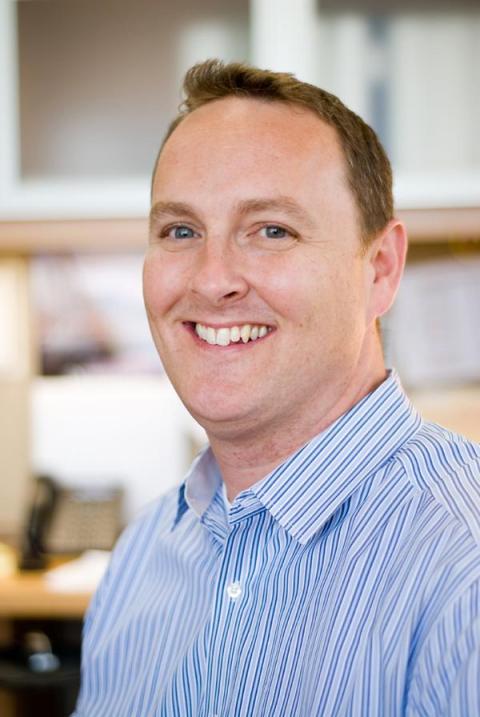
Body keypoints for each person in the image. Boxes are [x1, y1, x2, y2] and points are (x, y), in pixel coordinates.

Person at [74, 60, 480, 716]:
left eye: (271, 231)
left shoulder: (463, 566)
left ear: (380, 269)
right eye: (181, 231)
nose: (212, 280)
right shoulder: (141, 557)